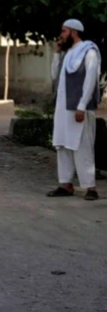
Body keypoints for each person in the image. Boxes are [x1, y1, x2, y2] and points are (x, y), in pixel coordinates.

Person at [48, 19, 101, 201]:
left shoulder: (89, 51)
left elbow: (90, 80)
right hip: (63, 109)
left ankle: (90, 188)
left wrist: (82, 106)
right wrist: (57, 53)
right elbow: (54, 76)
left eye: (64, 31)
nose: (61, 35)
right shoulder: (67, 53)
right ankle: (65, 184)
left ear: (74, 32)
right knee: (62, 145)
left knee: (82, 146)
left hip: (79, 108)